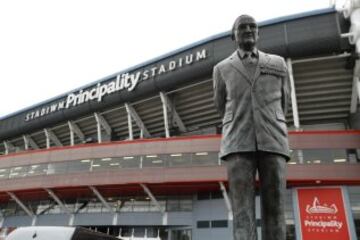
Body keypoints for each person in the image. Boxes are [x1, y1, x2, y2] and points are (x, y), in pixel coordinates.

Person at [213, 15, 291, 240]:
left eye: (252, 26)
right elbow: (222, 106)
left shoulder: (277, 63)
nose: (248, 29)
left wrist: (266, 122)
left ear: (258, 33)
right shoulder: (222, 68)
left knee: (275, 206)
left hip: (273, 140)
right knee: (242, 211)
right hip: (237, 142)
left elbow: (284, 103)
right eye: (242, 27)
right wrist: (243, 120)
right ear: (233, 35)